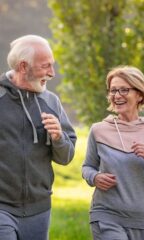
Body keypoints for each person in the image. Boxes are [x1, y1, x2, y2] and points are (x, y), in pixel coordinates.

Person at [82, 66, 144, 240]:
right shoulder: (98, 130)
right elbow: (87, 167)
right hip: (106, 215)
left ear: (139, 94)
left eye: (124, 90)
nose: (117, 95)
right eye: (113, 90)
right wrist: (94, 177)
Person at [0, 35, 77, 239]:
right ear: (23, 66)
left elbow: (66, 157)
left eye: (52, 65)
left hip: (39, 209)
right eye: (46, 66)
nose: (52, 73)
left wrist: (59, 137)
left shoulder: (52, 102)